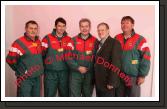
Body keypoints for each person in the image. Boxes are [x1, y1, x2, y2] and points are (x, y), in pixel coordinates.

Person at [115, 16, 151, 97]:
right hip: (118, 76)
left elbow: (146, 57)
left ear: (132, 25)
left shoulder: (141, 39)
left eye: (127, 23)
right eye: (122, 23)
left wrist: (142, 75)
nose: (124, 25)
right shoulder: (117, 38)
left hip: (133, 77)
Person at [6, 20, 44, 97]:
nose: (33, 30)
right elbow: (9, 60)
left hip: (37, 77)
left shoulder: (38, 42)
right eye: (31, 28)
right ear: (26, 29)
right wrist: (20, 70)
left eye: (35, 28)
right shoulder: (18, 43)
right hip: (25, 79)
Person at [67, 18, 98, 97]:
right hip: (75, 74)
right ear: (79, 27)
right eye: (82, 26)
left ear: (90, 27)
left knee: (87, 96)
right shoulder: (72, 40)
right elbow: (68, 57)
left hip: (89, 74)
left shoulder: (95, 41)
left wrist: (89, 68)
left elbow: (97, 59)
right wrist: (78, 67)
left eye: (86, 26)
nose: (84, 28)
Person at [42, 17, 71, 97]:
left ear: (65, 27)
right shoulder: (47, 38)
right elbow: (41, 55)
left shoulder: (69, 39)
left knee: (65, 96)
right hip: (50, 73)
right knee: (49, 95)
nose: (61, 28)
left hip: (64, 73)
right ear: (55, 26)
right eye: (59, 26)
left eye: (63, 26)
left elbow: (72, 56)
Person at [94, 22, 122, 97]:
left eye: (102, 30)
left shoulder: (115, 43)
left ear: (108, 31)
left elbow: (116, 63)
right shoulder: (98, 43)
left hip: (108, 83)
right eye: (98, 30)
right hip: (99, 82)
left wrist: (112, 82)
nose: (100, 32)